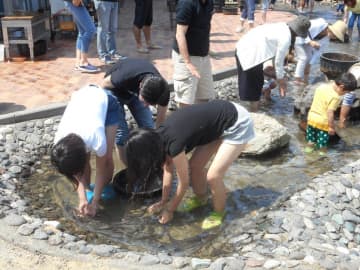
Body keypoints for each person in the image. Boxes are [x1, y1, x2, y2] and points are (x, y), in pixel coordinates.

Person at [125, 100, 255, 229]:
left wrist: (170, 210)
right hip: (218, 123)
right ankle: (201, 198)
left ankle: (219, 213)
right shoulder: (158, 138)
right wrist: (164, 202)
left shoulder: (173, 144)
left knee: (213, 177)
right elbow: (168, 170)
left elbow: (184, 183)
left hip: (237, 122)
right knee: (194, 167)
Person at [51, 85, 120, 217]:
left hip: (105, 100)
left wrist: (95, 201)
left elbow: (102, 167)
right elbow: (75, 170)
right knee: (78, 165)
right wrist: (82, 198)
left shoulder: (96, 139)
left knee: (107, 157)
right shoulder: (60, 144)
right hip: (83, 101)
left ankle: (103, 188)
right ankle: (88, 190)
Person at [235, 15, 311, 111]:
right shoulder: (286, 38)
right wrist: (281, 82)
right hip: (249, 53)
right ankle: (254, 114)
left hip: (244, 46)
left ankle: (252, 110)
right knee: (254, 91)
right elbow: (278, 62)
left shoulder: (283, 26)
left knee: (256, 85)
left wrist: (278, 77)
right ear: (298, 33)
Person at [101, 58, 170, 163]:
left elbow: (160, 123)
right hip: (113, 89)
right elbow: (104, 84)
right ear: (140, 87)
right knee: (121, 134)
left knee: (149, 128)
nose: (146, 105)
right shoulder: (123, 76)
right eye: (145, 101)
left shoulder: (163, 91)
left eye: (150, 104)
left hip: (135, 91)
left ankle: (150, 162)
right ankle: (128, 168)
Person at [172, 0, 215, 108]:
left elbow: (204, 26)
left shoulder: (209, 3)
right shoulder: (186, 3)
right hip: (187, 57)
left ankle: (200, 123)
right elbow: (180, 34)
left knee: (205, 97)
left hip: (203, 56)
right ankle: (185, 124)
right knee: (186, 100)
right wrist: (187, 62)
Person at [305, 72, 357, 154]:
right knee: (322, 144)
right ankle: (322, 159)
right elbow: (330, 113)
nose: (344, 94)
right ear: (341, 87)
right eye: (346, 92)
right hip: (323, 123)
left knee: (311, 141)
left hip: (311, 118)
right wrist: (331, 127)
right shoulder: (335, 97)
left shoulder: (321, 87)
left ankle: (308, 155)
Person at [294, 19, 347, 85]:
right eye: (335, 35)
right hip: (298, 36)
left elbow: (318, 52)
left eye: (336, 37)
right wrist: (309, 41)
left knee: (309, 58)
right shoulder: (319, 24)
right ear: (331, 30)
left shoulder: (326, 40)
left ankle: (305, 80)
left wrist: (310, 64)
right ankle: (297, 79)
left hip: (307, 43)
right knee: (303, 58)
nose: (334, 38)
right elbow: (302, 29)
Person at [63, 0, 99, 73]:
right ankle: (83, 62)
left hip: (74, 3)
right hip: (76, 3)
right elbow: (75, 3)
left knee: (82, 32)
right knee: (90, 30)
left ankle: (78, 63)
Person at [94, 0, 127, 65]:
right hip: (103, 2)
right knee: (103, 29)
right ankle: (103, 55)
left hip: (114, 2)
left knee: (112, 29)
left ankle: (112, 52)